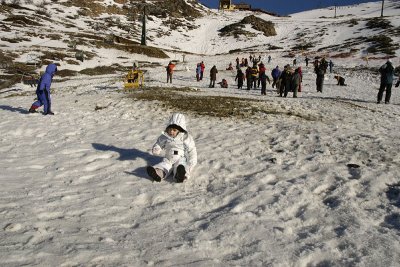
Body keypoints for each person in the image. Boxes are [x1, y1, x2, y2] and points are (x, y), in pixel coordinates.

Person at [147, 113, 197, 183]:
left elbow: (192, 150)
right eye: (169, 129)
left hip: (180, 158)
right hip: (168, 159)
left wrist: (192, 162)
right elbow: (159, 143)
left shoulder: (185, 138)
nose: (171, 132)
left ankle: (180, 175)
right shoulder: (165, 136)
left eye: (174, 130)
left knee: (180, 165)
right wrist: (157, 148)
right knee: (164, 166)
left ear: (180, 130)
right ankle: (157, 173)